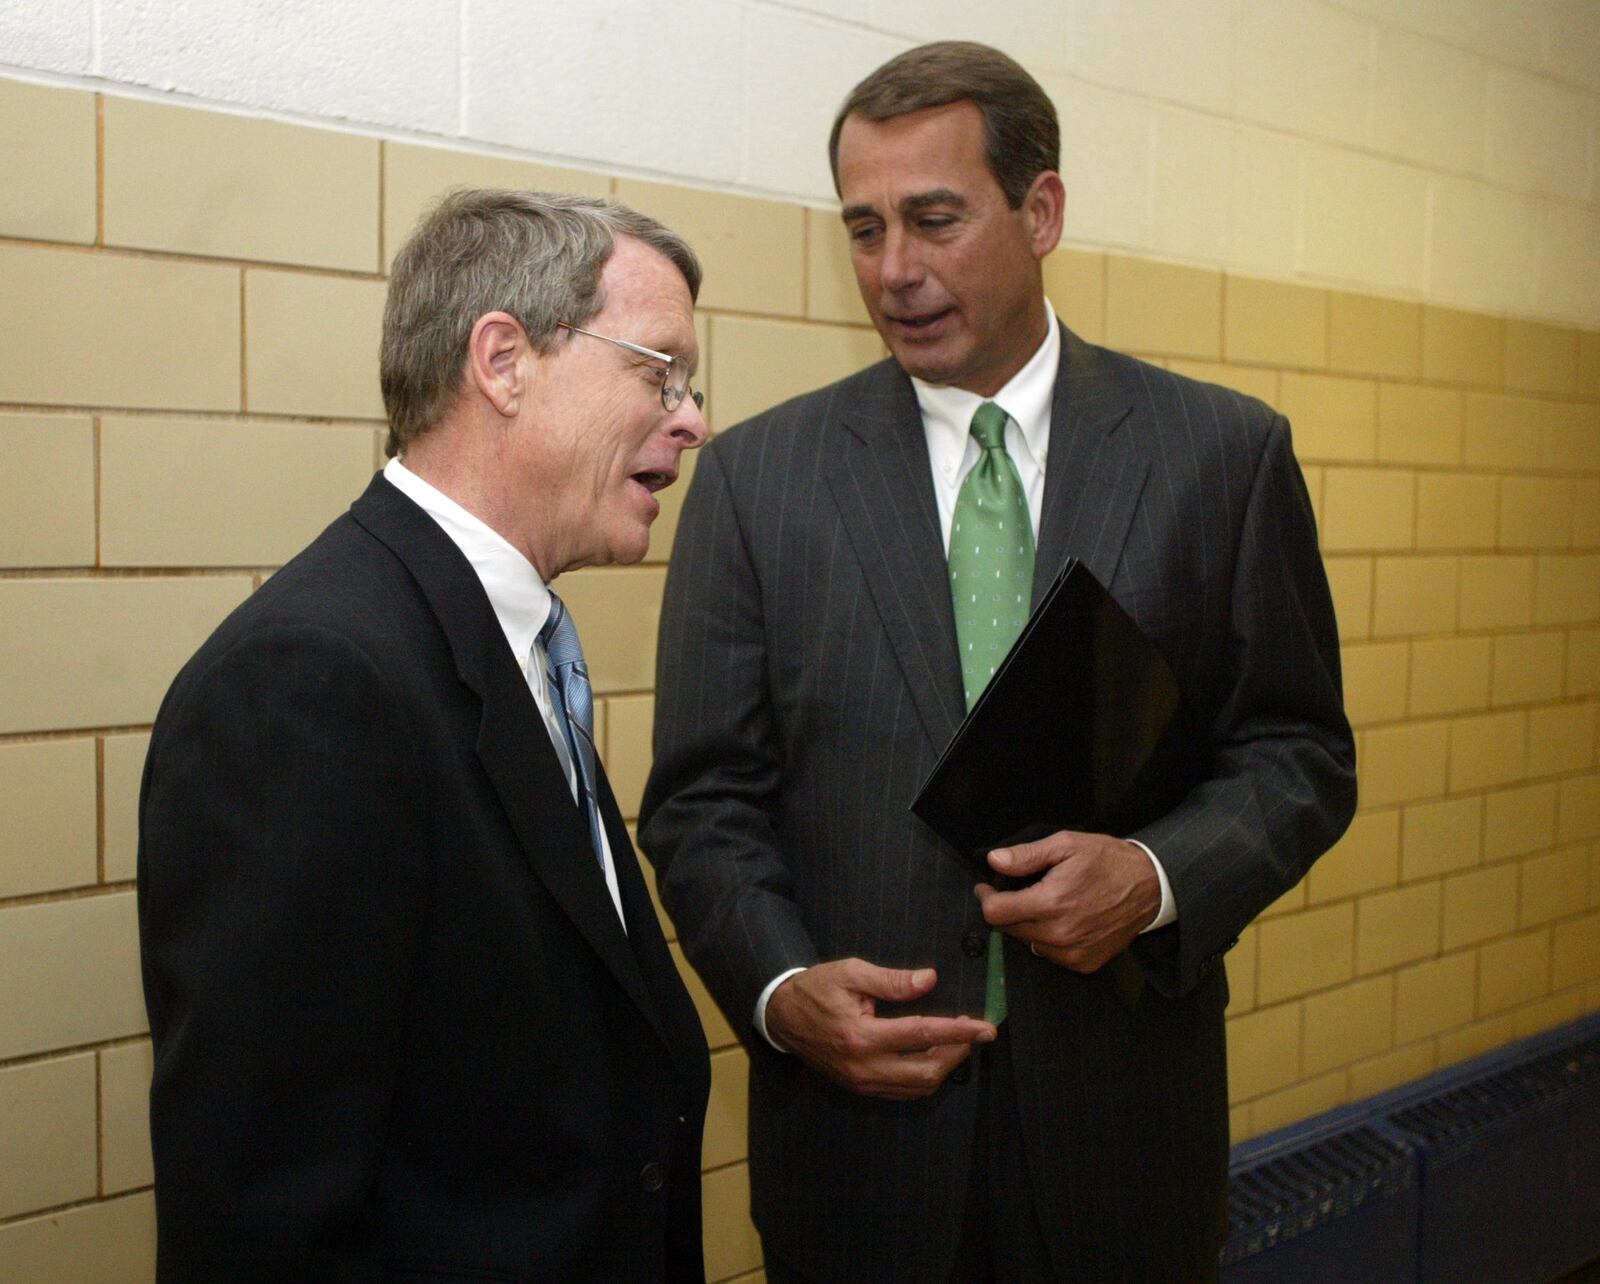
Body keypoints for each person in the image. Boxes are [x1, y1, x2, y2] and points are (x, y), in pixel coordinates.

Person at [640, 41, 1357, 1284]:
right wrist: (779, 986)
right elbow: (703, 803)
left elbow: (1297, 756)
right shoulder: (763, 483)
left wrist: (1152, 873)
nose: (894, 271)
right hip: (860, 1161)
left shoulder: (1215, 458)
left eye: (933, 219)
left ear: (1041, 213)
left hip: (1125, 1142)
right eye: (862, 230)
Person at [138, 189, 712, 1283]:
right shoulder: (309, 685)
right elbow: (262, 1214)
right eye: (659, 371)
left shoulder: (510, 633)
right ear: (503, 361)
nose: (692, 418)